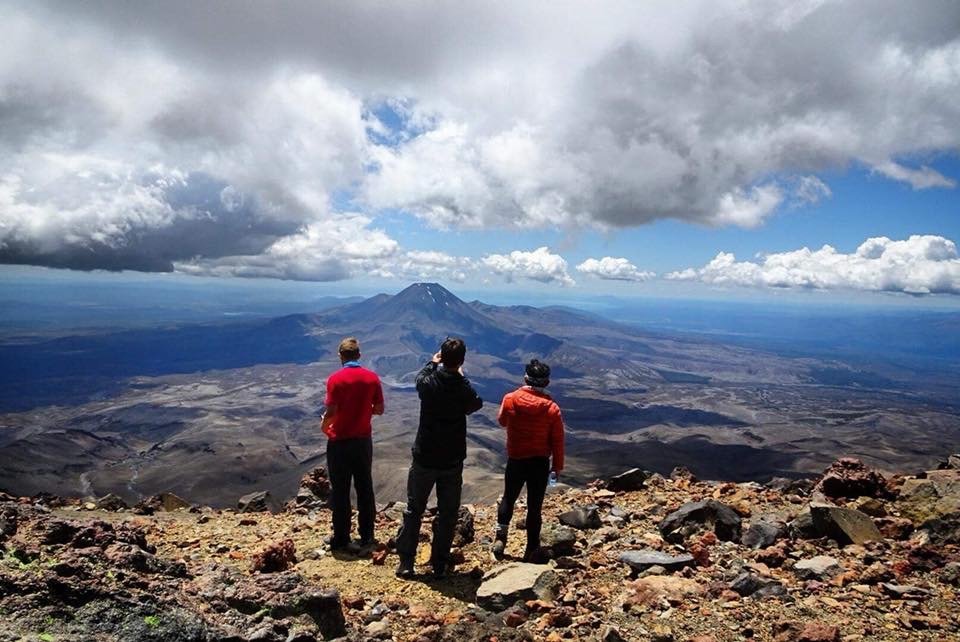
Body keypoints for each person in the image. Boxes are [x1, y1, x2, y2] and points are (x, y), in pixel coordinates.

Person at [395, 337, 483, 578]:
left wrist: (431, 364)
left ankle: (406, 563)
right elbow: (475, 404)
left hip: (425, 456)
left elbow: (419, 380)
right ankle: (440, 563)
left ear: (442, 357)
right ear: (462, 360)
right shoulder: (463, 388)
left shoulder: (429, 383)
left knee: (414, 509)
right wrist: (461, 376)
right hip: (452, 460)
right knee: (447, 512)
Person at [492, 358, 564, 562]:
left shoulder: (511, 399)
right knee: (535, 505)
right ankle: (532, 547)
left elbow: (502, 421)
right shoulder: (552, 409)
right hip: (540, 463)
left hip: (516, 458)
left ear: (525, 378)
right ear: (546, 383)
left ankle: (500, 538)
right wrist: (557, 466)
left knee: (508, 498)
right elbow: (558, 440)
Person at [321, 337, 384, 552]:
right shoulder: (372, 378)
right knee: (364, 487)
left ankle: (341, 537)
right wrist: (363, 413)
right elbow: (379, 409)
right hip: (362, 441)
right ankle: (367, 536)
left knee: (340, 490)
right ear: (358, 356)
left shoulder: (335, 379)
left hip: (339, 442)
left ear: (341, 356)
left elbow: (331, 412)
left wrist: (324, 425)